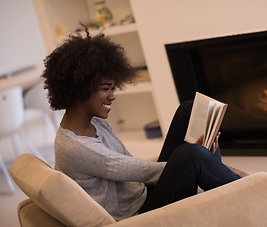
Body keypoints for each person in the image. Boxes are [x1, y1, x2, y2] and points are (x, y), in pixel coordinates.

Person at [42, 25, 248, 221]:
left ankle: (221, 178)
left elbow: (135, 170)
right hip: (140, 215)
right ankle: (250, 191)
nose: (112, 96)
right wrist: (207, 162)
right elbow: (139, 170)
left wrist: (210, 163)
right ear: (79, 88)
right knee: (192, 156)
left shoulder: (94, 122)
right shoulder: (75, 148)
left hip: (142, 192)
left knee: (189, 109)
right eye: (106, 88)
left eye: (113, 88)